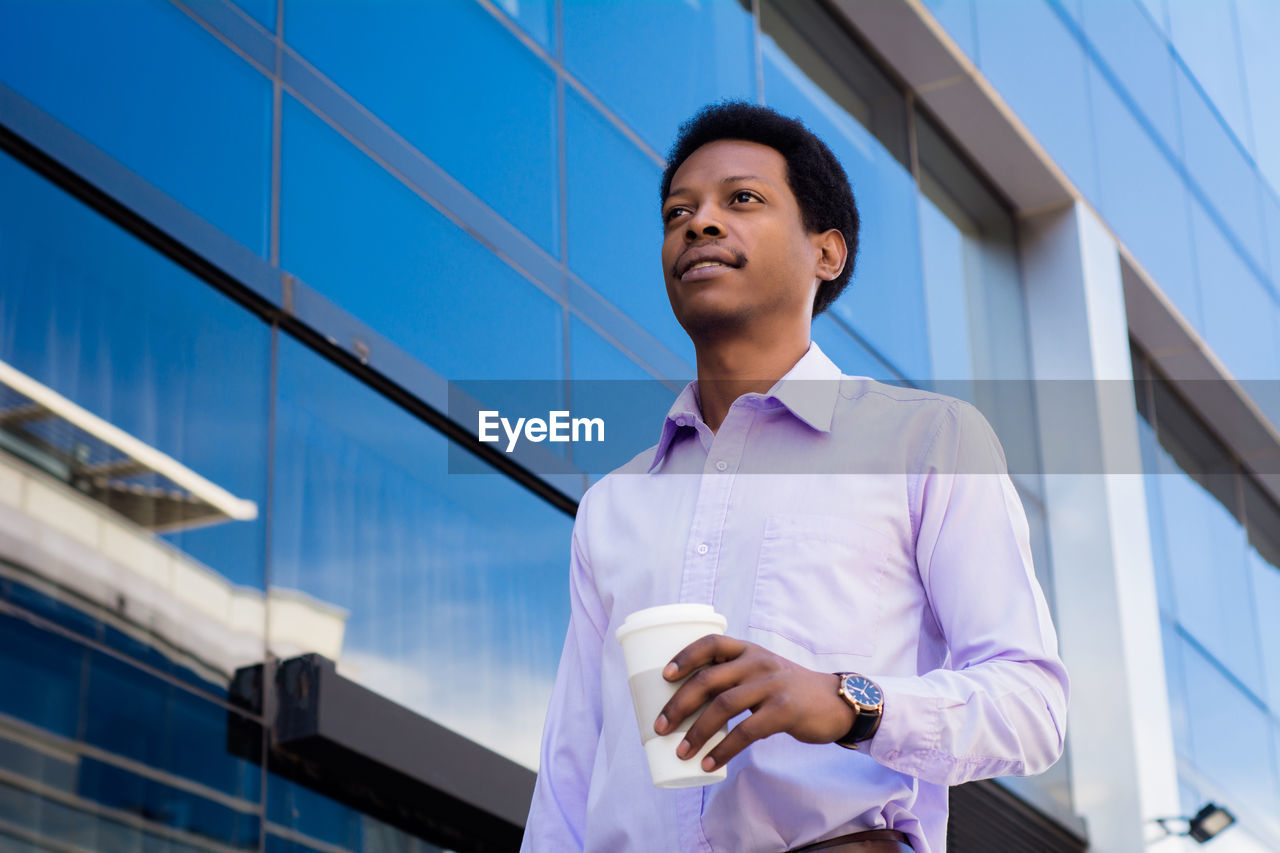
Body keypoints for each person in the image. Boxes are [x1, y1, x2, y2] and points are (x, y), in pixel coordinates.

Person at [520, 101, 1069, 853]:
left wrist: (847, 701)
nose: (699, 223)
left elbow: (1031, 707)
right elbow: (568, 777)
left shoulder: (927, 440)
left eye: (741, 199)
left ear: (827, 253)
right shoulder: (615, 504)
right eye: (680, 210)